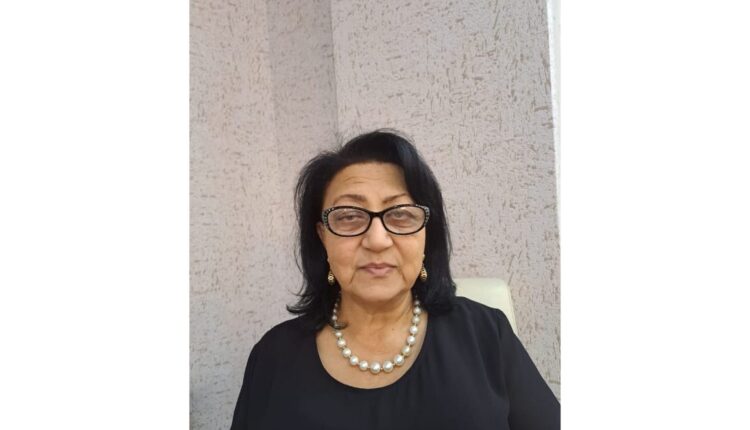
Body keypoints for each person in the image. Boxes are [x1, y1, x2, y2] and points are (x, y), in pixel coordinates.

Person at [230, 130, 560, 429]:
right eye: (349, 216)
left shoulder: (486, 335)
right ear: (322, 237)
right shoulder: (273, 356)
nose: (377, 240)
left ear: (426, 235)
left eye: (400, 215)